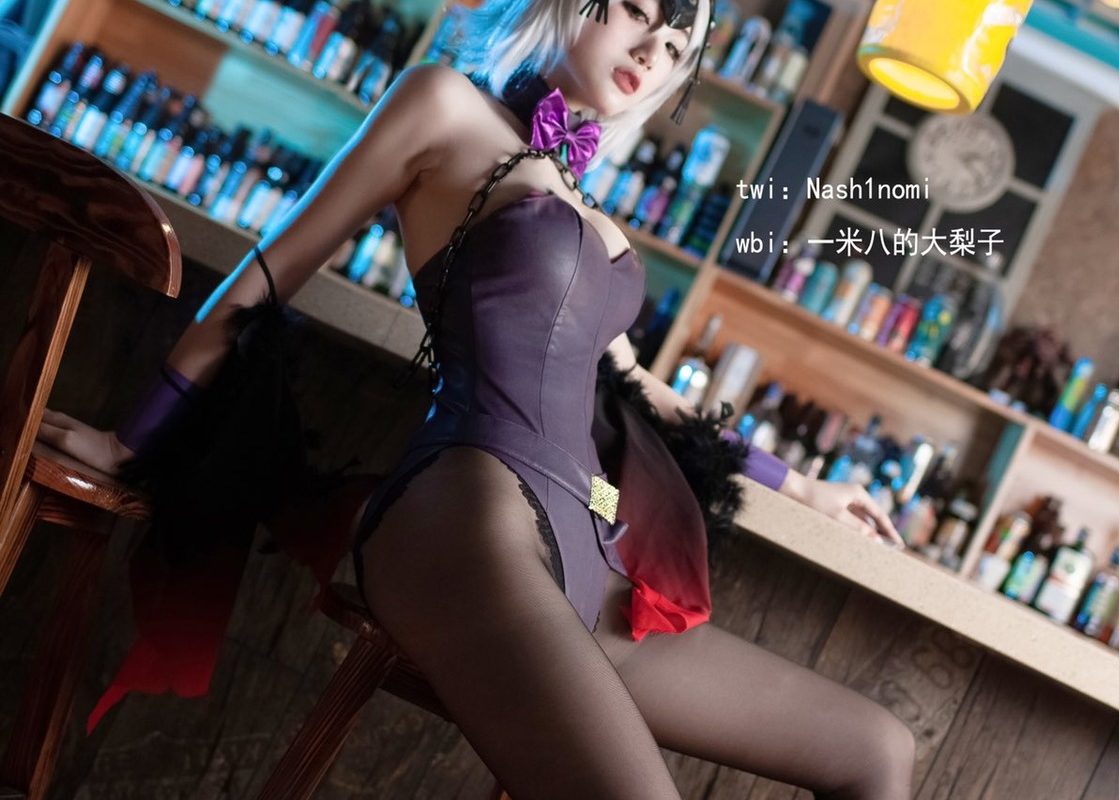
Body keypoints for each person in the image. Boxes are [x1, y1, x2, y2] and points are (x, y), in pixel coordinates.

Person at [37, 0, 917, 796]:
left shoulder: (580, 199)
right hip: (467, 518)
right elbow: (271, 273)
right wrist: (133, 440)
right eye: (638, 13)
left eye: (678, 49)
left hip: (588, 552)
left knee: (878, 750)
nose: (654, 51)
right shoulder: (444, 105)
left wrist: (806, 487)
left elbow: (640, 386)